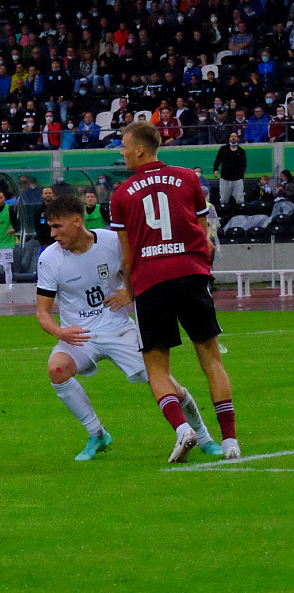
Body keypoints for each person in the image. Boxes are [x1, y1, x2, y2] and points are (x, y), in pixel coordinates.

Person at [36, 195, 221, 461]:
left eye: (57, 226)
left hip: (119, 329)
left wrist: (129, 292)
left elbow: (144, 270)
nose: (53, 234)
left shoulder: (112, 242)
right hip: (80, 336)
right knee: (57, 369)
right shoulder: (49, 258)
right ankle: (97, 434)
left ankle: (203, 437)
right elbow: (42, 312)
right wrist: (60, 332)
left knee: (164, 382)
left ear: (77, 221)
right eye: (51, 227)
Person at [111, 122, 240, 462]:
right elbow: (202, 231)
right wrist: (199, 268)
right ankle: (230, 442)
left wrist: (130, 290)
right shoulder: (187, 178)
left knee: (156, 367)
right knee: (211, 358)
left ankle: (183, 430)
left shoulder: (122, 193)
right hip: (191, 274)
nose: (122, 152)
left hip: (151, 280)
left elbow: (127, 256)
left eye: (125, 146)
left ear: (140, 149)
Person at [212, 132, 246, 209]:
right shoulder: (223, 149)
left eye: (235, 136)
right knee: (223, 199)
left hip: (237, 179)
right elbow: (217, 160)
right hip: (225, 178)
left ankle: (240, 213)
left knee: (240, 199)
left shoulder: (241, 151)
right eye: (231, 136)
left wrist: (242, 175)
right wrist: (215, 169)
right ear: (229, 138)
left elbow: (244, 165)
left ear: (238, 138)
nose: (233, 137)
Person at [33, 187, 57, 251]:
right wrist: (43, 243)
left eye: (49, 193)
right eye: (46, 193)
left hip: (57, 242)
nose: (48, 195)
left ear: (53, 194)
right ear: (42, 195)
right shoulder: (38, 210)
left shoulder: (58, 209)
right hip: (44, 244)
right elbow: (37, 227)